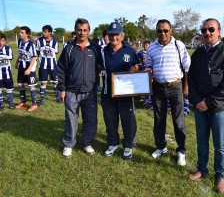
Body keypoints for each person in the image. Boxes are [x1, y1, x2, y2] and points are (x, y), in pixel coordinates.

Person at [187, 18, 224, 194]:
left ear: (219, 31)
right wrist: (197, 101)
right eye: (204, 30)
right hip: (199, 107)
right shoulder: (198, 53)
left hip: (218, 108)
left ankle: (220, 176)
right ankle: (201, 169)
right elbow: (191, 80)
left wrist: (208, 102)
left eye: (211, 29)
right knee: (201, 141)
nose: (207, 32)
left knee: (219, 145)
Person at [145, 19, 191, 166]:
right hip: (158, 88)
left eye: (165, 30)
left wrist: (186, 87)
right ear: (156, 31)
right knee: (159, 120)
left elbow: (187, 67)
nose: (163, 33)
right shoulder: (151, 47)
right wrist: (148, 72)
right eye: (159, 30)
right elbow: (149, 66)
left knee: (178, 121)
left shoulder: (179, 45)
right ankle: (161, 147)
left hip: (176, 87)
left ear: (171, 31)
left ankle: (181, 151)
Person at [57, 18, 101, 158]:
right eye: (79, 30)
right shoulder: (69, 48)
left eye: (85, 30)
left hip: (90, 91)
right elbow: (61, 69)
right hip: (71, 91)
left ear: (89, 31)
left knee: (90, 119)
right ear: (75, 31)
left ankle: (87, 143)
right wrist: (62, 89)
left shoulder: (95, 48)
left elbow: (104, 65)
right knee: (71, 119)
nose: (82, 33)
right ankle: (69, 144)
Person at [100, 21, 139, 160]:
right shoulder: (103, 50)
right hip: (107, 92)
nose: (113, 37)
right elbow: (98, 66)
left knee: (127, 120)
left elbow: (137, 66)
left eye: (116, 34)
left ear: (122, 36)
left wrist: (134, 69)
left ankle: (128, 145)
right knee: (110, 120)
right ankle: (113, 143)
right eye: (111, 34)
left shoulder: (130, 51)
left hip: (125, 93)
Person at [15, 26, 39, 112]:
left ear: (27, 34)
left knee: (31, 86)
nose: (20, 34)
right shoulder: (20, 42)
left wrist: (29, 69)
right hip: (21, 67)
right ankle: (23, 102)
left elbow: (33, 57)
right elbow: (20, 53)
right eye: (20, 32)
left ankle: (34, 104)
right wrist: (17, 62)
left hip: (30, 68)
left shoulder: (31, 44)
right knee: (20, 84)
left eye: (22, 32)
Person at [36, 25, 60, 105]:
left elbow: (56, 53)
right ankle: (42, 99)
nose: (43, 33)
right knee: (43, 82)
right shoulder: (39, 41)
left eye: (45, 31)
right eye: (43, 31)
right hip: (43, 66)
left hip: (53, 66)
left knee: (55, 82)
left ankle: (58, 97)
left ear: (50, 33)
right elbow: (38, 52)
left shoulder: (55, 42)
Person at [0, 33, 15, 111]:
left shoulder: (8, 49)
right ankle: (1, 105)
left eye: (2, 40)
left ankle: (11, 104)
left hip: (7, 74)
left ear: (4, 40)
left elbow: (11, 57)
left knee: (9, 89)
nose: (1, 42)